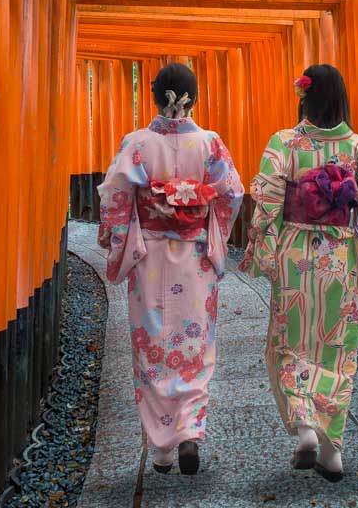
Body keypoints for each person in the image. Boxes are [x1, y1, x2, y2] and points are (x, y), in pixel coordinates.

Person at [239, 63, 358, 482]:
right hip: (339, 261)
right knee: (336, 349)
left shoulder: (284, 143)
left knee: (289, 343)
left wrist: (262, 252)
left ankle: (304, 429)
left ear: (305, 97)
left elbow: (267, 205)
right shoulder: (357, 147)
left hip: (294, 256)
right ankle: (332, 451)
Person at [96, 62, 245, 475]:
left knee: (153, 347)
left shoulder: (137, 144)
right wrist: (210, 225)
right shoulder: (211, 144)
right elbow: (231, 193)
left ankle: (161, 447)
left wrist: (117, 236)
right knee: (195, 345)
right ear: (194, 99)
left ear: (155, 96)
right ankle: (190, 431)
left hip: (150, 257)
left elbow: (115, 196)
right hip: (195, 257)